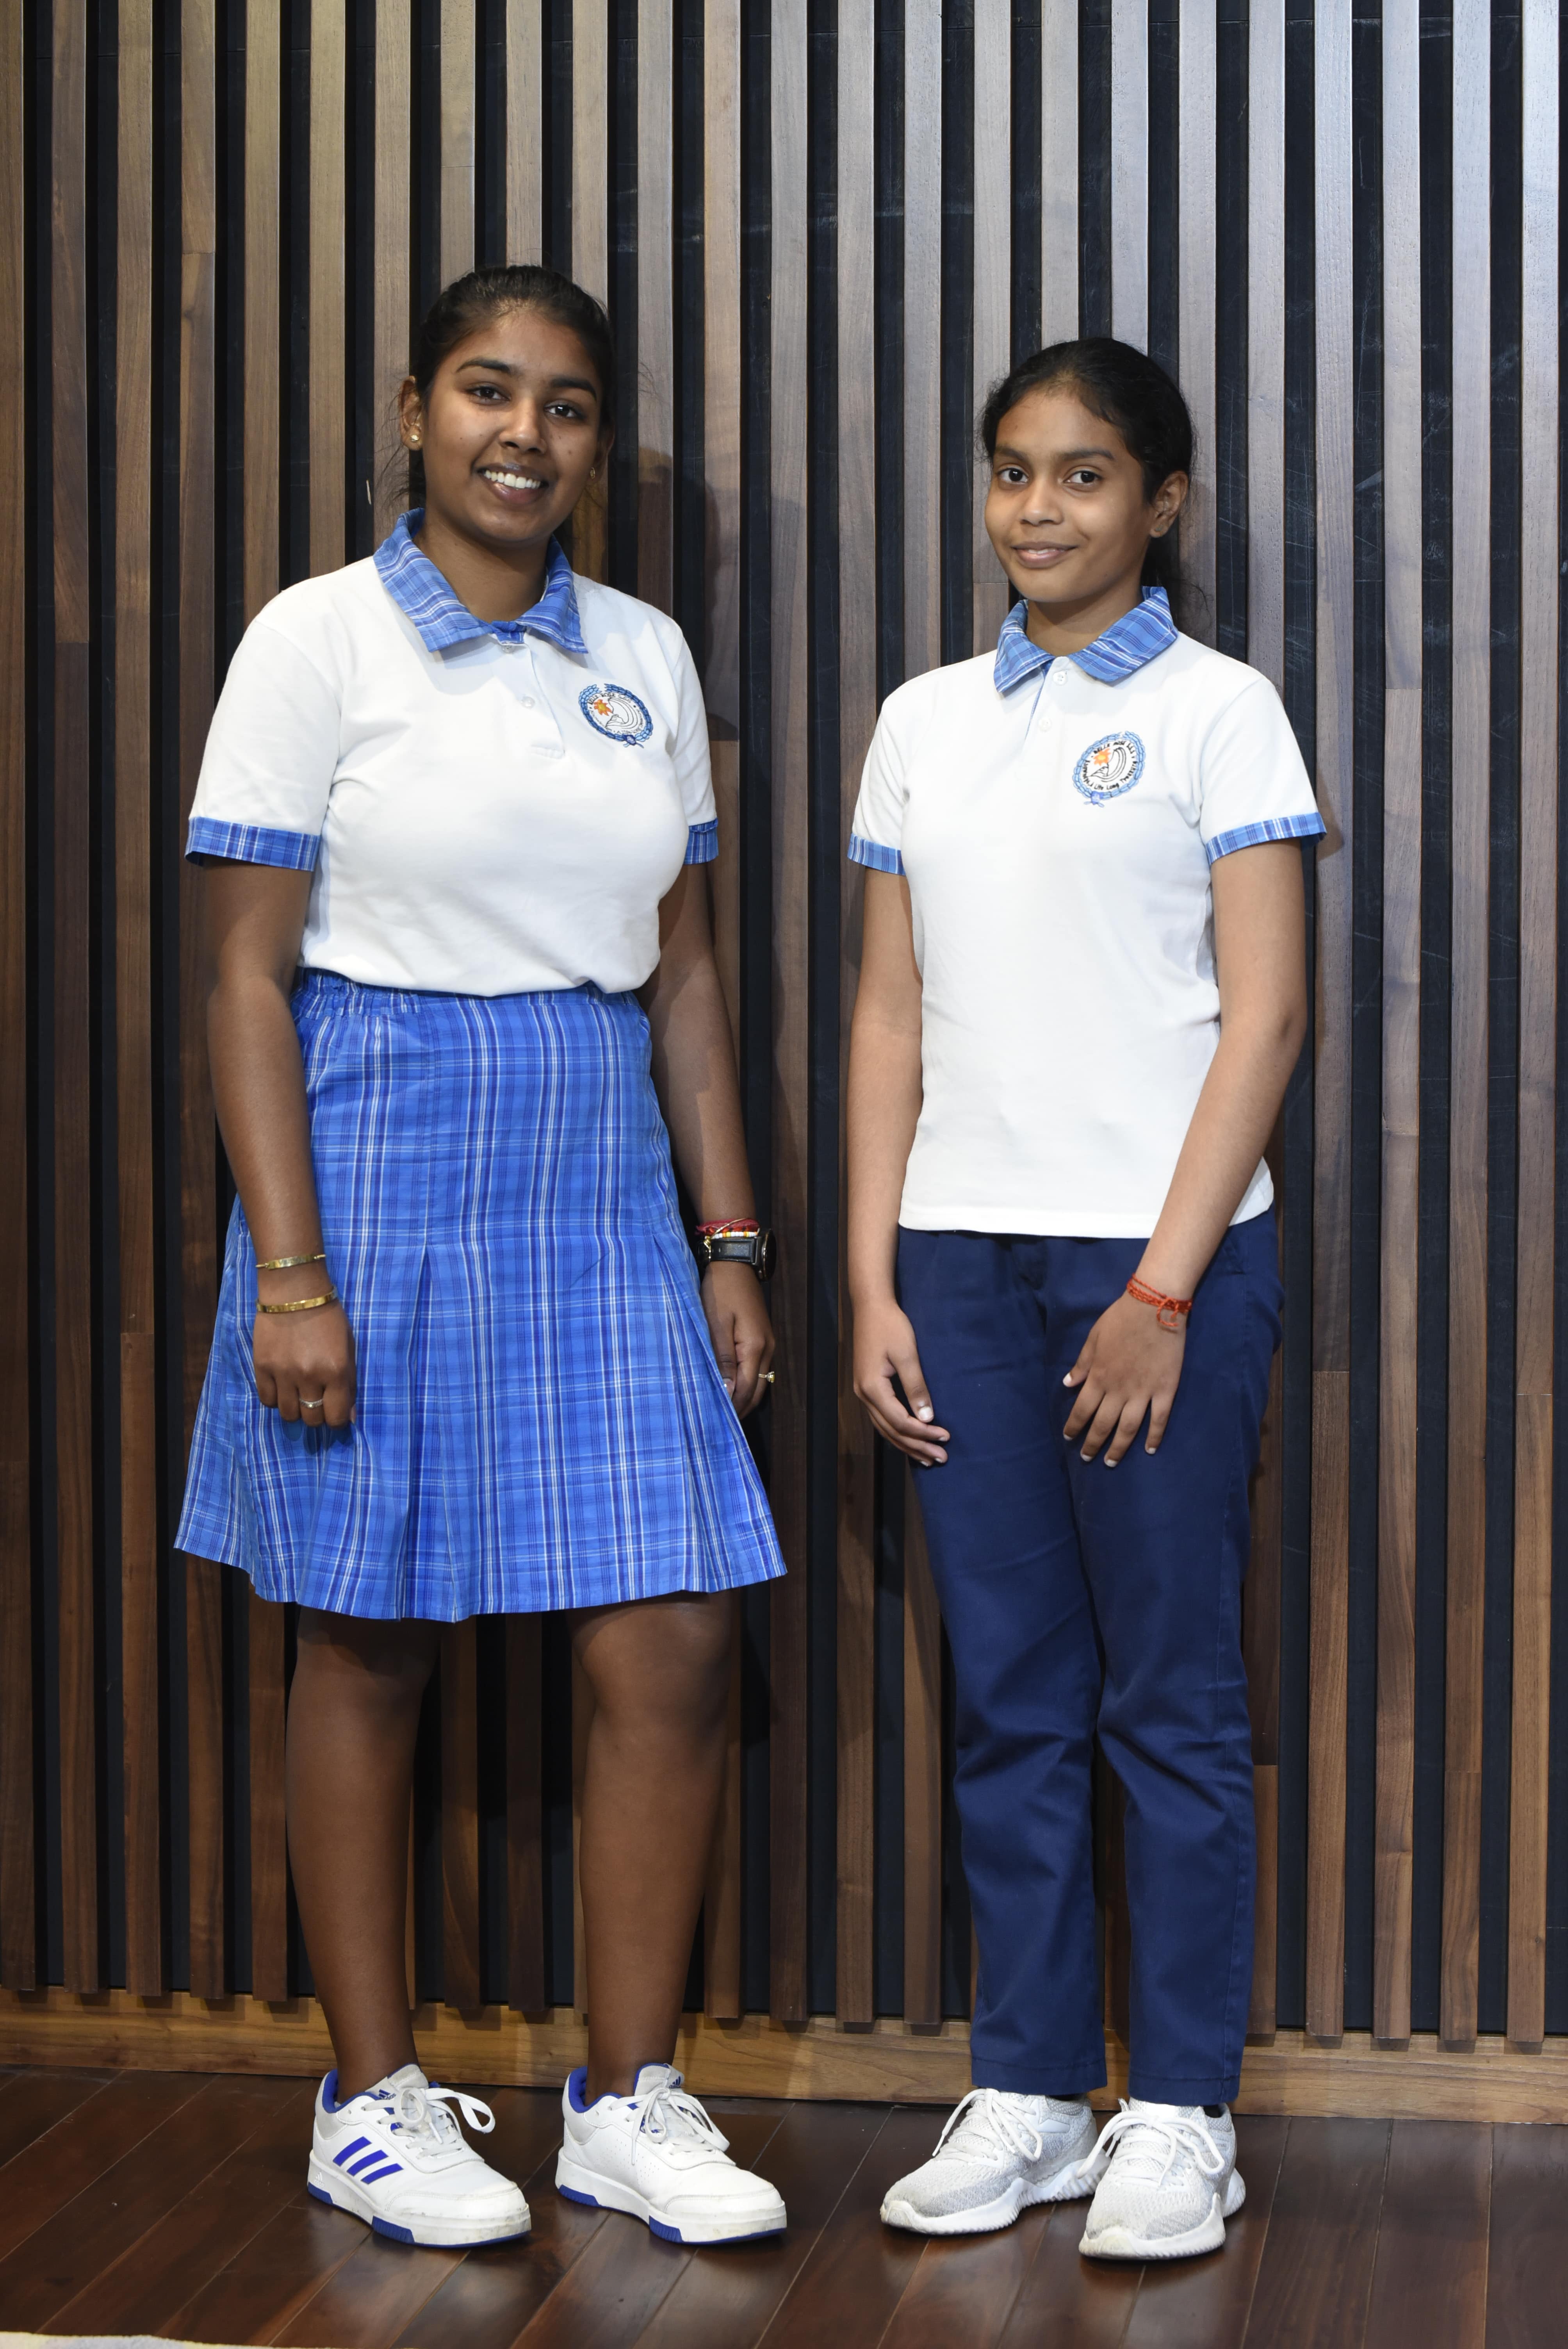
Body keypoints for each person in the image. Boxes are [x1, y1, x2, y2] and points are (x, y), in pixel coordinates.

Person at [177, 264, 788, 2251]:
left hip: (597, 1154)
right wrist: (290, 1273)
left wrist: (729, 1237)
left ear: (596, 441)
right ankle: (367, 2100)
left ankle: (622, 2099)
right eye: (486, 390)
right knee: (367, 1633)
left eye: (567, 403)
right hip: (374, 1142)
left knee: (673, 1628)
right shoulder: (316, 638)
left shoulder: (645, 654)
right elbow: (244, 979)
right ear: (417, 412)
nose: (524, 434)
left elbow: (684, 976)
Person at [846, 338, 1321, 2262]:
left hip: (1159, 1271)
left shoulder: (1220, 712)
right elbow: (888, 1014)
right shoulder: (921, 720)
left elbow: (1264, 1016)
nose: (1035, 508)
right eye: (1010, 470)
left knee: (1168, 1700)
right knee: (1009, 1696)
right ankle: (1034, 2090)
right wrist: (870, 1274)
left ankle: (1180, 2111)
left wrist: (1160, 1289)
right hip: (955, 1263)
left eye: (1082, 473)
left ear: (1160, 502)